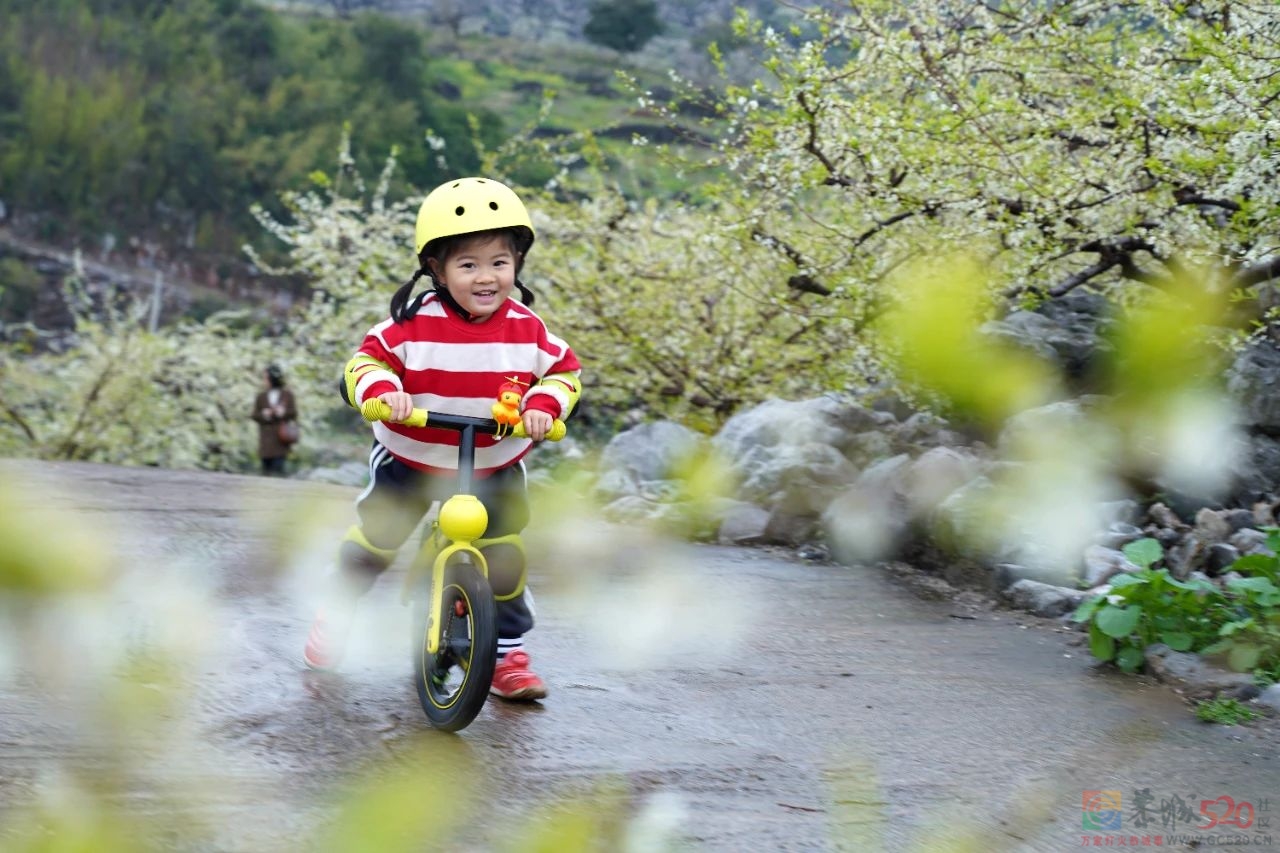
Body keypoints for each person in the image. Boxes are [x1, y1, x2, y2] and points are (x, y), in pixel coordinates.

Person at [303, 177, 582, 702]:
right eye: (468, 264)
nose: (486, 277)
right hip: (413, 454)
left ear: (517, 263)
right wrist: (384, 391)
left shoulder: (528, 329)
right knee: (377, 541)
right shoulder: (411, 326)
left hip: (492, 460)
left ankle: (505, 654)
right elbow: (365, 363)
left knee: (503, 555)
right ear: (436, 268)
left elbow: (564, 373)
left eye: (500, 262)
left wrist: (545, 405)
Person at [251, 365, 298, 476]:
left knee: (278, 472)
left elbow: (294, 413)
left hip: (281, 440)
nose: (264, 381)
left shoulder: (287, 395)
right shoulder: (261, 396)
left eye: (266, 378)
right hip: (265, 442)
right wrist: (264, 414)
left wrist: (283, 413)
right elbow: (254, 415)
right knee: (265, 473)